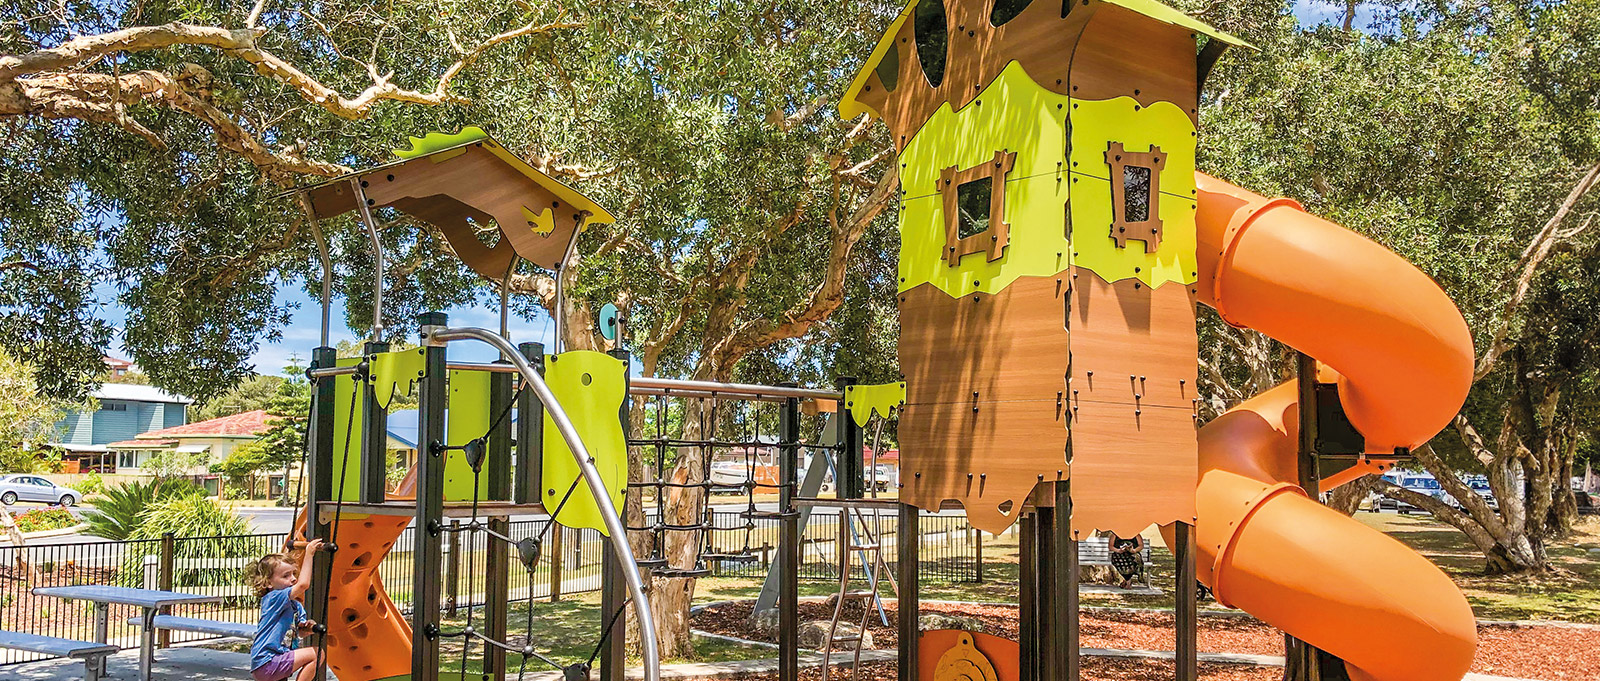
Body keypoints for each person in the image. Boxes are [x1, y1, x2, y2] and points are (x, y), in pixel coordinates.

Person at [250, 539, 325, 681]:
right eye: (286, 576)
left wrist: (306, 628)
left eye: (294, 574)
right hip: (268, 659)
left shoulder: (296, 606)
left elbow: (298, 633)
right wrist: (309, 554)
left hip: (270, 662)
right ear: (268, 583)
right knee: (317, 654)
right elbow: (303, 585)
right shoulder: (273, 598)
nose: (293, 579)